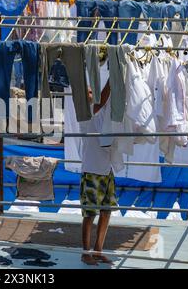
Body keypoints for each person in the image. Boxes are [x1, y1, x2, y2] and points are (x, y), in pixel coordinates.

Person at [80, 82, 117, 266]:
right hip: (92, 170)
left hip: (106, 169)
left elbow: (105, 105)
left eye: (91, 91)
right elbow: (101, 102)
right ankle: (86, 252)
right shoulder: (84, 113)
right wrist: (112, 80)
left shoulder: (100, 113)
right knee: (89, 214)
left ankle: (98, 250)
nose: (90, 94)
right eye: (87, 92)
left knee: (106, 212)